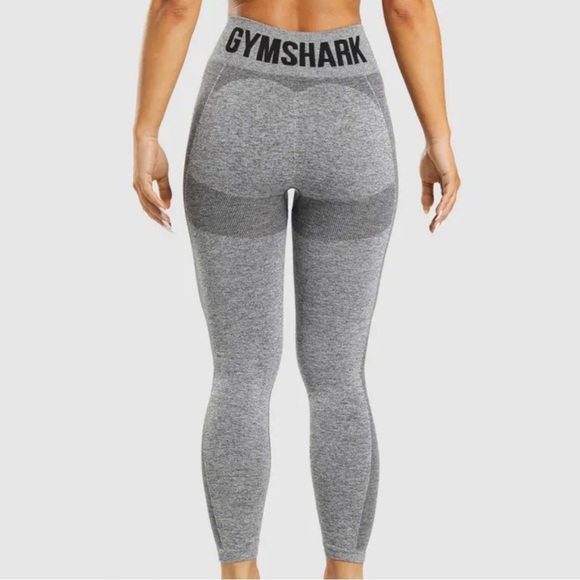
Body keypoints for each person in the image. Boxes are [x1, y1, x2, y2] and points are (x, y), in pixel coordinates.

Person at [132, 0, 461, 578]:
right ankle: (346, 572)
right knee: (339, 377)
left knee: (240, 374)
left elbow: (177, 8)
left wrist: (146, 131)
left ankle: (239, 573)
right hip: (350, 110)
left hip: (239, 106)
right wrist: (439, 137)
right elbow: (407, 10)